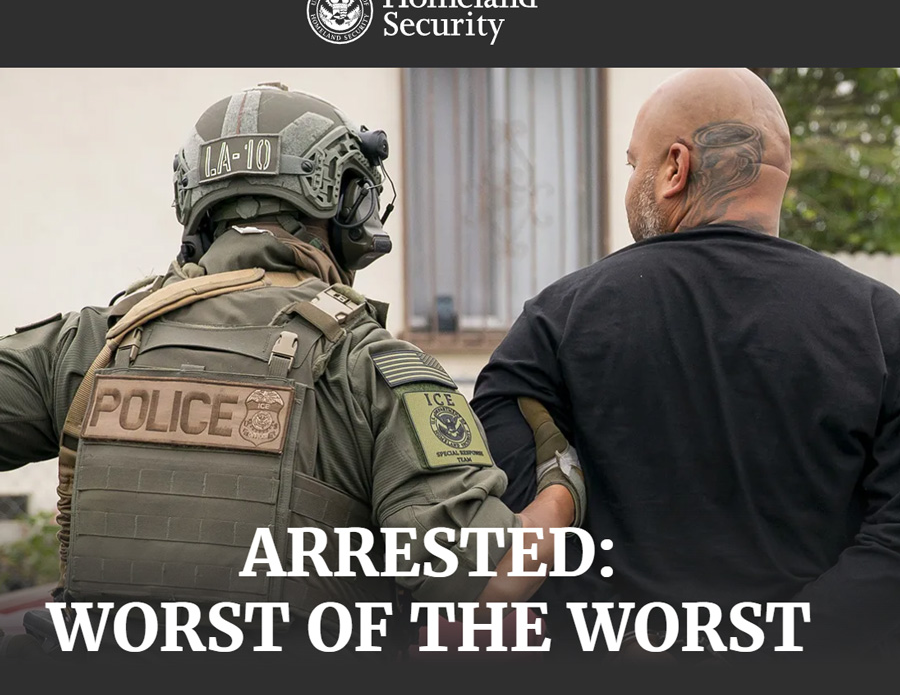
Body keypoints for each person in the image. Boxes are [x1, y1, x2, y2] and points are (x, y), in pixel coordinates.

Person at [0, 81, 584, 660]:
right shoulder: (373, 366)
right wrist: (563, 484)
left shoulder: (95, 342)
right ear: (346, 204)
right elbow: (489, 580)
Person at [471, 67, 900, 661]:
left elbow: (508, 525)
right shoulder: (881, 326)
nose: (630, 185)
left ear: (675, 167)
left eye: (633, 165)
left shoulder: (554, 324)